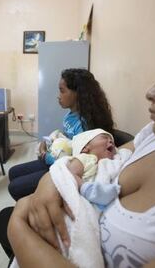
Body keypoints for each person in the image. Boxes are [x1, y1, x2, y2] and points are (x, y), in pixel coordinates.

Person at [5, 3, 155, 267]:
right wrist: (54, 178)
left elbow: (90, 156)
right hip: (71, 192)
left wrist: (17, 225)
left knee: (10, 204)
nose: (151, 91)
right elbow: (95, 163)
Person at [8, 68, 114, 201]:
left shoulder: (86, 125)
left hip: (67, 170)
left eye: (62, 90)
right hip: (57, 160)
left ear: (77, 94)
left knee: (15, 187)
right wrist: (47, 143)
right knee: (13, 172)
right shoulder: (71, 115)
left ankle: (37, 205)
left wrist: (48, 158)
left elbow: (78, 162)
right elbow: (66, 140)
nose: (58, 95)